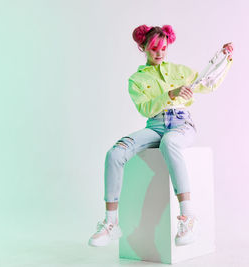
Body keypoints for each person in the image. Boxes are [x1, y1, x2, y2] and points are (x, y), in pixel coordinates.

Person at [88, 24, 233, 247]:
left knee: (170, 143)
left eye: (163, 48)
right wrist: (170, 93)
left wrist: (225, 60)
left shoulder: (179, 71)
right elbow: (146, 109)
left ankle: (188, 217)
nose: (160, 53)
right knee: (115, 153)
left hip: (182, 123)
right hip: (154, 125)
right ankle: (111, 223)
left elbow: (208, 83)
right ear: (143, 47)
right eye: (154, 48)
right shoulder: (136, 80)